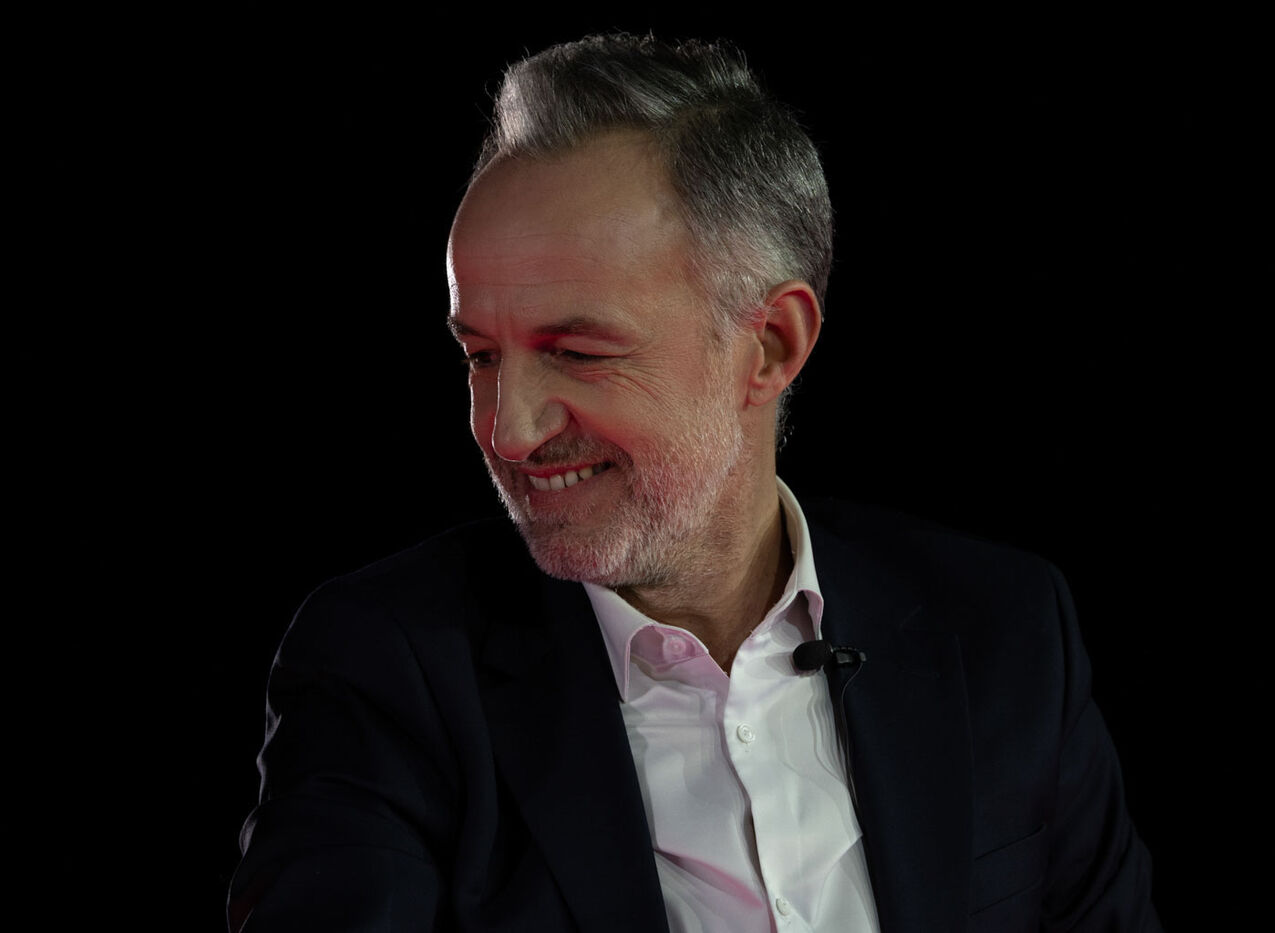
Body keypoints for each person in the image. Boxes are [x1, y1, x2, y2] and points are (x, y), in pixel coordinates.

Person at [229, 34, 1162, 932]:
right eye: (480, 355)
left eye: (577, 352)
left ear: (771, 346)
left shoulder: (1006, 630)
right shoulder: (383, 671)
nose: (508, 431)